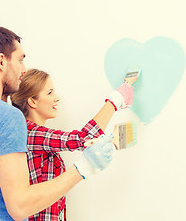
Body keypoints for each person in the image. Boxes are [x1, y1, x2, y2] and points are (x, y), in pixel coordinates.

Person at [0, 25, 115, 221]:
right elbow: (19, 205)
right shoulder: (7, 117)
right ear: (1, 61)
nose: (23, 70)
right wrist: (83, 168)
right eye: (20, 60)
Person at [8, 69, 135, 221]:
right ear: (32, 101)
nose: (57, 98)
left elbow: (86, 141)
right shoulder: (30, 133)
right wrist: (117, 98)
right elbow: (83, 138)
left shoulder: (35, 136)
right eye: (50, 93)